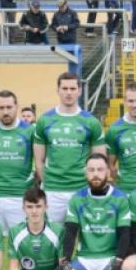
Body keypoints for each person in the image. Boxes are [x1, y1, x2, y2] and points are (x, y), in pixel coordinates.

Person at [53, 153, 130, 270]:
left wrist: (118, 260)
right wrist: (64, 260)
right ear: (85, 173)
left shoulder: (120, 198)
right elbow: (71, 232)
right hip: (85, 259)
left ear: (108, 172)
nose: (96, 174)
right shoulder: (77, 198)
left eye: (100, 169)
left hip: (109, 258)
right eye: (91, 170)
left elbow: (125, 234)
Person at [34, 72, 106, 224]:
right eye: (64, 88)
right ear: (58, 90)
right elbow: (39, 160)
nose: (68, 93)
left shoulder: (91, 122)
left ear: (79, 91)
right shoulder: (45, 120)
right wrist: (47, 181)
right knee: (53, 235)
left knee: (86, 234)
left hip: (81, 188)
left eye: (72, 89)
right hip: (53, 190)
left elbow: (100, 162)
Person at [0, 90, 36, 235]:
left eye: (9, 107)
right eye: (1, 108)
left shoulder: (30, 131)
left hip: (21, 196)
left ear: (17, 107)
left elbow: (40, 159)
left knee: (22, 243)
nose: (6, 112)